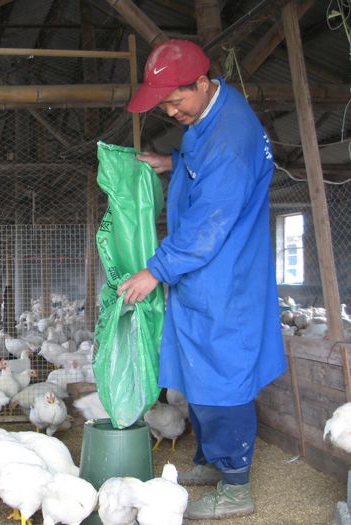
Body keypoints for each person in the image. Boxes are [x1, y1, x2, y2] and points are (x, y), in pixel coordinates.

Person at [117, 39, 287, 520]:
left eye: (176, 100)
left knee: (222, 379)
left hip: (224, 275)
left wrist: (155, 270)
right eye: (165, 105)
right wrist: (173, 163)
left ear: (201, 82)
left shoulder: (230, 139)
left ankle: (236, 487)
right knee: (202, 375)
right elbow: (206, 164)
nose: (172, 112)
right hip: (208, 273)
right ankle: (214, 460)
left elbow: (207, 226)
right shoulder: (212, 114)